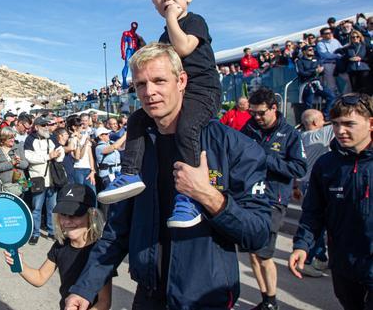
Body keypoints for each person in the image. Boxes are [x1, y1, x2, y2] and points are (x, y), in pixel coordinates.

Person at [65, 43, 271, 310]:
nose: (149, 92)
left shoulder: (234, 146)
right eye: (140, 84)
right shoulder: (138, 149)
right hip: (148, 295)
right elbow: (116, 232)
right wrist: (84, 288)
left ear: (181, 80)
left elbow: (258, 234)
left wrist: (207, 195)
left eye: (159, 80)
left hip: (206, 298)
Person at [99, 0, 222, 233]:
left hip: (202, 92)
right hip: (179, 94)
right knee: (137, 120)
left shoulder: (194, 22)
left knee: (187, 128)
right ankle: (130, 173)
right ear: (153, 3)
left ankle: (189, 197)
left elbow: (185, 48)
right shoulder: (166, 33)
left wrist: (170, 18)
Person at [289, 93, 373, 310]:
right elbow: (313, 212)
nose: (340, 130)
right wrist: (302, 245)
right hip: (344, 265)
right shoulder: (326, 165)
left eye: (349, 124)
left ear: (370, 123)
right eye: (335, 124)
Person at [241, 87, 307, 310]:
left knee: (264, 253)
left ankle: (272, 301)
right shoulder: (248, 127)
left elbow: (298, 168)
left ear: (274, 108)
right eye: (253, 113)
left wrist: (266, 159)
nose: (256, 117)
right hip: (249, 197)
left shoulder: (290, 134)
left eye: (261, 113)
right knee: (253, 252)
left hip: (273, 201)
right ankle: (266, 299)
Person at [5, 184, 111, 310]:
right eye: (63, 214)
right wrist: (19, 265)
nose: (67, 221)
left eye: (74, 215)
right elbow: (40, 277)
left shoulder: (100, 251)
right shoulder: (60, 246)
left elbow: (104, 302)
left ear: (91, 215)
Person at [292, 109, 334, 278]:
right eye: (323, 119)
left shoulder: (300, 137)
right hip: (317, 184)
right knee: (318, 223)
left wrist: (295, 185)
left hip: (303, 183)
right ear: (316, 123)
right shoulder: (322, 134)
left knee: (315, 222)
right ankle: (308, 260)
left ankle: (321, 257)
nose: (326, 122)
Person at [24, 116, 65, 245]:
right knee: (36, 208)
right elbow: (29, 157)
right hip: (37, 178)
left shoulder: (51, 138)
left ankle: (52, 231)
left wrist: (57, 157)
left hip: (52, 178)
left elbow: (60, 150)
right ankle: (35, 233)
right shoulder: (30, 139)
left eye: (47, 125)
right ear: (36, 127)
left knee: (52, 207)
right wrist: (48, 156)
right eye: (43, 125)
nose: (46, 127)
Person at [296, 45, 335, 118]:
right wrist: (314, 71)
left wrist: (320, 70)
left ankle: (325, 115)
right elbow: (301, 73)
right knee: (308, 105)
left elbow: (321, 72)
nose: (312, 51)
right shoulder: (300, 61)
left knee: (331, 96)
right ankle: (308, 120)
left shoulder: (317, 59)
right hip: (307, 84)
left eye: (313, 49)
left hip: (317, 84)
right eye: (310, 50)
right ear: (304, 51)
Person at [0, 127, 29, 197]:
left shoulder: (18, 147)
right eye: (10, 138)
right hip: (4, 185)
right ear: (3, 138)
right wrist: (11, 163)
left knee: (20, 206)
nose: (13, 140)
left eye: (13, 137)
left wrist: (18, 162)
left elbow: (26, 164)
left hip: (20, 183)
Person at [316, 27, 350, 95]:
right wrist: (337, 55)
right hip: (328, 64)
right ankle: (334, 102)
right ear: (322, 35)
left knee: (348, 80)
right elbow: (325, 55)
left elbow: (341, 50)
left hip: (339, 64)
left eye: (330, 32)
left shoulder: (335, 41)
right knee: (331, 85)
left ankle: (345, 96)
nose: (330, 34)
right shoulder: (320, 44)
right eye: (327, 33)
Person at [343, 30, 370, 94]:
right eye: (353, 37)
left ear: (360, 37)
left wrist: (361, 59)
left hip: (363, 68)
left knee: (365, 87)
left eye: (357, 36)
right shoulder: (347, 48)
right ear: (351, 38)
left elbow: (369, 57)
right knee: (355, 88)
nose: (355, 38)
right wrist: (350, 59)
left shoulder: (365, 46)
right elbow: (344, 58)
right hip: (352, 69)